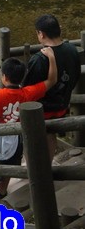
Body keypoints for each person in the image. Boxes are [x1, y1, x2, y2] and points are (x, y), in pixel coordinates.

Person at [0, 47, 57, 200]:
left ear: (4, 77)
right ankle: (2, 191)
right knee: (12, 164)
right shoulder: (27, 93)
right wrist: (52, 57)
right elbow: (52, 80)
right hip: (14, 139)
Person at [23, 14, 81, 161]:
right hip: (62, 104)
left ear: (41, 34)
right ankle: (47, 166)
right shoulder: (72, 50)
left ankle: (35, 169)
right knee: (51, 136)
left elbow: (29, 90)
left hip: (42, 110)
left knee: (33, 138)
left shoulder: (39, 59)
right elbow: (75, 76)